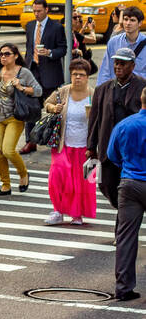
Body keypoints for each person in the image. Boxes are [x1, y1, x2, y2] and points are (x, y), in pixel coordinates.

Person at [42, 58, 98, 226]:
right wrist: (54, 108)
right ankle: (58, 211)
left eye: (81, 75)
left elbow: (101, 118)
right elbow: (47, 103)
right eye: (74, 74)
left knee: (84, 183)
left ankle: (77, 214)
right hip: (62, 145)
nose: (77, 78)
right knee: (57, 177)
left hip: (87, 148)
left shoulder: (94, 94)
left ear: (88, 77)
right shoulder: (63, 91)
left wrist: (94, 146)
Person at [88, 48, 146, 209]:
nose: (118, 67)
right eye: (116, 63)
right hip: (108, 147)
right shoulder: (103, 89)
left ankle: (127, 208)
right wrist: (91, 147)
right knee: (105, 183)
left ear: (132, 66)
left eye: (123, 63)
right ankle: (121, 206)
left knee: (129, 187)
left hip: (134, 149)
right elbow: (94, 120)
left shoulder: (143, 86)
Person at [0, 43, 41, 196]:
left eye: (7, 54)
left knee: (8, 150)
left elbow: (38, 90)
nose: (3, 57)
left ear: (15, 56)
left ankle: (23, 174)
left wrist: (21, 87)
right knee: (0, 153)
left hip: (14, 117)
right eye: (1, 54)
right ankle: (5, 185)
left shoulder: (24, 73)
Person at [108, 89, 146, 300]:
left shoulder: (125, 125)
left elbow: (112, 154)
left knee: (126, 237)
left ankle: (123, 287)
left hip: (130, 182)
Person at [23, 0, 67, 152]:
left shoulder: (56, 27)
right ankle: (30, 141)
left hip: (50, 72)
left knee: (53, 107)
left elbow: (63, 49)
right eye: (34, 11)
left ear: (46, 10)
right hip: (33, 71)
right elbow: (29, 48)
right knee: (30, 107)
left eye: (39, 11)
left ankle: (54, 138)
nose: (36, 14)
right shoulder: (29, 26)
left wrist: (49, 53)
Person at [98, 5, 146, 84]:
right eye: (125, 19)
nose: (128, 23)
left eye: (132, 20)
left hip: (139, 89)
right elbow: (106, 69)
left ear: (140, 23)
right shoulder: (114, 42)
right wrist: (101, 92)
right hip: (118, 89)